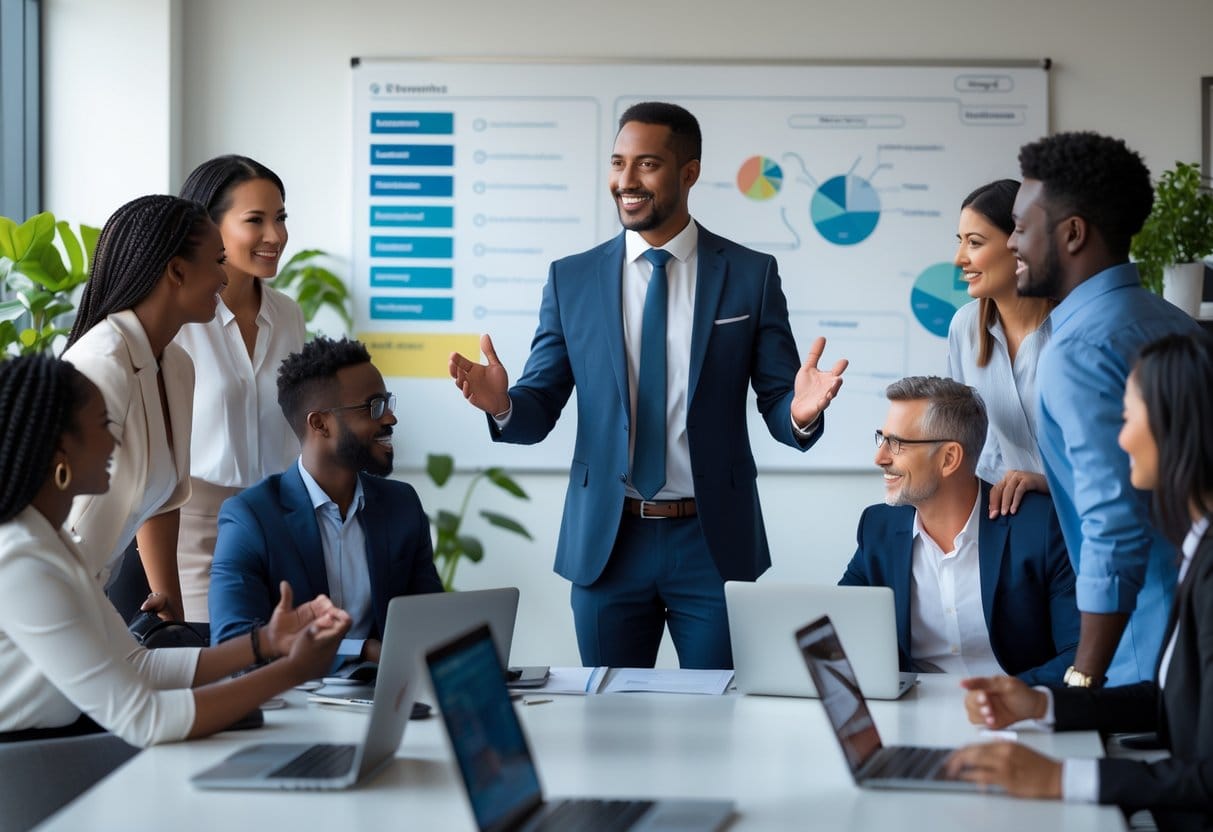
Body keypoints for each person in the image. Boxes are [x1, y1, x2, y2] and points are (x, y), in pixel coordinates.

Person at [449, 101, 847, 669]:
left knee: (720, 723)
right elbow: (540, 406)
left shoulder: (750, 275)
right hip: (608, 544)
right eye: (617, 163)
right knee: (606, 726)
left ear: (689, 173)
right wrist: (504, 405)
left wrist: (801, 412)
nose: (625, 181)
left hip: (712, 543)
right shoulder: (573, 278)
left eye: (647, 165)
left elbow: (781, 404)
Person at [0, 355, 351, 747]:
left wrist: (267, 642)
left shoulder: (51, 542)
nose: (116, 440)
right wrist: (292, 671)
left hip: (58, 752)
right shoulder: (22, 560)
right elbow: (144, 719)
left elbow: (139, 664)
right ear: (61, 449)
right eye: (104, 425)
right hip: (27, 769)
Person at [947, 332, 1213, 831]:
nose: (1119, 437)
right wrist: (1043, 704)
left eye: (1127, 417)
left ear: (1174, 427)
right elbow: (1171, 702)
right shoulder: (1197, 547)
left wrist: (1061, 779)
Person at [1011, 132, 1202, 687]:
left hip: (1142, 657)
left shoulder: (1077, 350)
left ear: (1072, 233)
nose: (1011, 244)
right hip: (1192, 632)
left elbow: (1113, 526)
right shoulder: (1174, 322)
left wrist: (1082, 682)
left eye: (1022, 228)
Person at [208, 336, 443, 665]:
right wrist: (359, 651)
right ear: (320, 423)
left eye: (388, 403)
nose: (390, 418)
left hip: (387, 695)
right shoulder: (251, 518)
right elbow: (233, 642)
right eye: (374, 406)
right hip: (296, 703)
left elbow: (432, 621)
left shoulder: (401, 505)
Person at [839, 376, 1078, 684]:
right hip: (914, 716)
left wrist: (1007, 696)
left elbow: (1078, 655)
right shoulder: (878, 529)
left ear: (949, 458)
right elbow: (837, 629)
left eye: (896, 444)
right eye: (881, 439)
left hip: (1016, 718)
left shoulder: (1038, 526)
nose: (880, 457)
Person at [63, 194, 228, 622]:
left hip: (91, 599)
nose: (225, 278)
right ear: (176, 270)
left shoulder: (176, 367)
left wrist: (170, 604)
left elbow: (164, 500)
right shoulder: (101, 365)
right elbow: (50, 514)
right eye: (218, 261)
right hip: (49, 599)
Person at [175, 155, 307, 625]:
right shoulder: (178, 322)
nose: (275, 235)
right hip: (195, 534)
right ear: (209, 228)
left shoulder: (288, 315)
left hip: (281, 525)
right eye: (256, 220)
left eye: (281, 218)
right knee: (214, 669)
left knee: (283, 678)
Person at [945, 179, 1055, 518]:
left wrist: (1048, 482)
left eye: (974, 243)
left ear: (1022, 245)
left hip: (1083, 518)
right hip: (1011, 519)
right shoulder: (965, 327)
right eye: (960, 242)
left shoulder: (1074, 331)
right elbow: (971, 441)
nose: (959, 258)